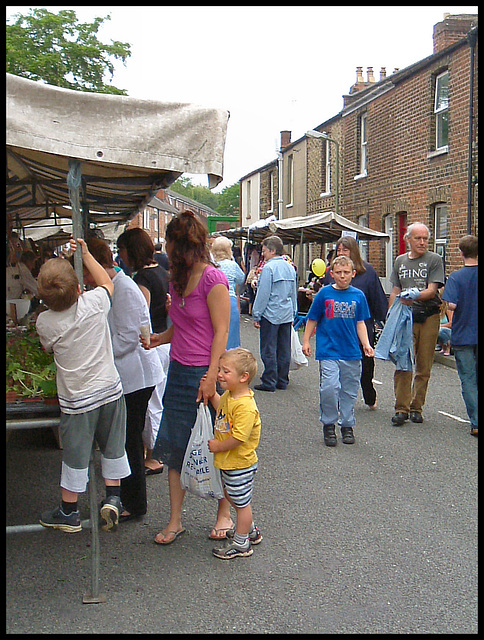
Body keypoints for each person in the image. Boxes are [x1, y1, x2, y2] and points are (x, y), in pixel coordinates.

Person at [142, 210, 232, 545]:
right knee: (174, 446)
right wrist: (159, 338)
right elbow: (182, 327)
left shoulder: (213, 280)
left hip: (204, 372)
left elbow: (220, 332)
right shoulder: (176, 279)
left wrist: (211, 378)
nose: (166, 247)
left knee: (216, 445)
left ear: (183, 245)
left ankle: (224, 513)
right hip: (179, 372)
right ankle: (175, 520)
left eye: (170, 241)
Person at [36, 239, 131, 533]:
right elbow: (107, 283)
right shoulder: (94, 304)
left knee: (76, 453)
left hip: (77, 400)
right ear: (79, 288)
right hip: (110, 389)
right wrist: (87, 256)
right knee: (113, 445)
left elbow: (47, 350)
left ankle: (69, 510)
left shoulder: (45, 322)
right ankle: (113, 497)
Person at [81, 237, 164, 522]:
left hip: (136, 376)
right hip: (130, 374)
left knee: (129, 440)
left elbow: (130, 337)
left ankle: (134, 503)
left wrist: (97, 353)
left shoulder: (125, 288)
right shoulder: (119, 285)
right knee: (127, 439)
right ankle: (127, 499)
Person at [302, 255, 374, 446]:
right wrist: (306, 341)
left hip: (351, 351)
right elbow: (312, 319)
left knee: (349, 391)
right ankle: (329, 423)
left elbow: (360, 323)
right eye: (339, 273)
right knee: (330, 388)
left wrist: (366, 344)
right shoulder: (324, 294)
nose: (343, 276)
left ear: (353, 274)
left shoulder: (358, 296)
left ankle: (347, 425)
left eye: (346, 273)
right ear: (332, 274)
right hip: (329, 350)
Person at [118, 228, 170, 476]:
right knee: (159, 400)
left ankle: (154, 456)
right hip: (166, 341)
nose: (121, 255)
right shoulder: (162, 272)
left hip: (154, 345)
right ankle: (154, 453)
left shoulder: (142, 280)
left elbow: (142, 315)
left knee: (152, 405)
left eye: (122, 250)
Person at [206, 348, 262, 559]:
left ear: (243, 377)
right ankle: (249, 531)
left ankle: (241, 544)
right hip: (230, 462)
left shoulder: (246, 406)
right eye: (220, 370)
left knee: (241, 504)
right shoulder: (231, 395)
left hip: (240, 463)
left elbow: (239, 437)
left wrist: (218, 447)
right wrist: (213, 397)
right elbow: (222, 409)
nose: (220, 374)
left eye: (225, 371)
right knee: (233, 496)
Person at [388, 222, 444, 426]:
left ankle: (416, 407)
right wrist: (390, 315)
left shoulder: (434, 260)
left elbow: (432, 290)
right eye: (418, 238)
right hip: (405, 316)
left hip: (428, 316)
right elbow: (395, 289)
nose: (422, 242)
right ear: (408, 239)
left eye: (425, 239)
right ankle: (401, 408)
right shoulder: (400, 261)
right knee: (403, 361)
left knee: (424, 364)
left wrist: (414, 296)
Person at [323, 236, 388, 410]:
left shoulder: (368, 272)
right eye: (339, 250)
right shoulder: (331, 272)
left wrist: (382, 319)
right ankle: (338, 398)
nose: (342, 253)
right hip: (337, 328)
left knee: (366, 367)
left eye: (345, 250)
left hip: (362, 327)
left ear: (354, 251)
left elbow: (377, 299)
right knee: (338, 367)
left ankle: (369, 393)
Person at [442, 235, 478, 437]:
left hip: (464, 334)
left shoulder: (456, 277)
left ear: (461, 253)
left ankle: (476, 422)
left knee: (468, 379)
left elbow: (452, 305)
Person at [251, 235, 297, 392]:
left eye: (264, 251)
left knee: (268, 348)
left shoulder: (268, 269)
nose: (263, 254)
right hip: (286, 313)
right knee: (284, 348)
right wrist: (294, 312)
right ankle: (282, 380)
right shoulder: (290, 267)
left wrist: (256, 314)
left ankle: (269, 380)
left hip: (270, 314)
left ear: (272, 250)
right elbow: (293, 293)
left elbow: (263, 294)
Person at [211, 235, 246, 349]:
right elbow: (241, 279)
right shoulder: (232, 265)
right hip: (229, 299)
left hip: (213, 301)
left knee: (214, 331)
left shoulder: (211, 265)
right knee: (231, 332)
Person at [6, 233, 39, 299]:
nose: (20, 249)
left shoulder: (21, 269)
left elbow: (37, 289)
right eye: (17, 245)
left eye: (19, 246)